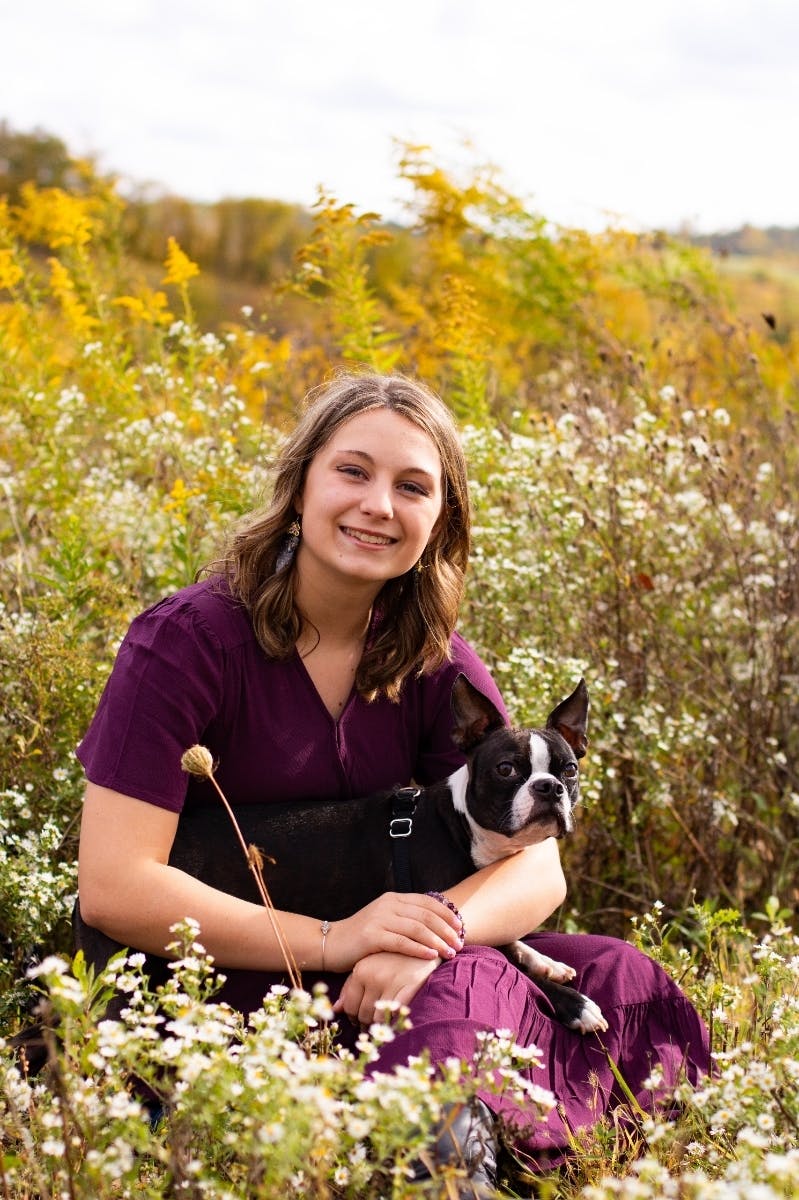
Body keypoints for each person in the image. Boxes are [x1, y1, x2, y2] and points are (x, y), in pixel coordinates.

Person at [76, 372, 709, 1193]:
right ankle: (444, 1166)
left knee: (610, 975)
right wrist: (339, 940)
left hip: (369, 974)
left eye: (412, 486)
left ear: (440, 518)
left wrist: (426, 936)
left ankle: (484, 1142)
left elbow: (533, 862)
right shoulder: (187, 643)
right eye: (352, 471)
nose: (378, 504)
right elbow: (113, 887)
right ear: (299, 483)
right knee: (469, 989)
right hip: (206, 977)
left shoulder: (430, 657)